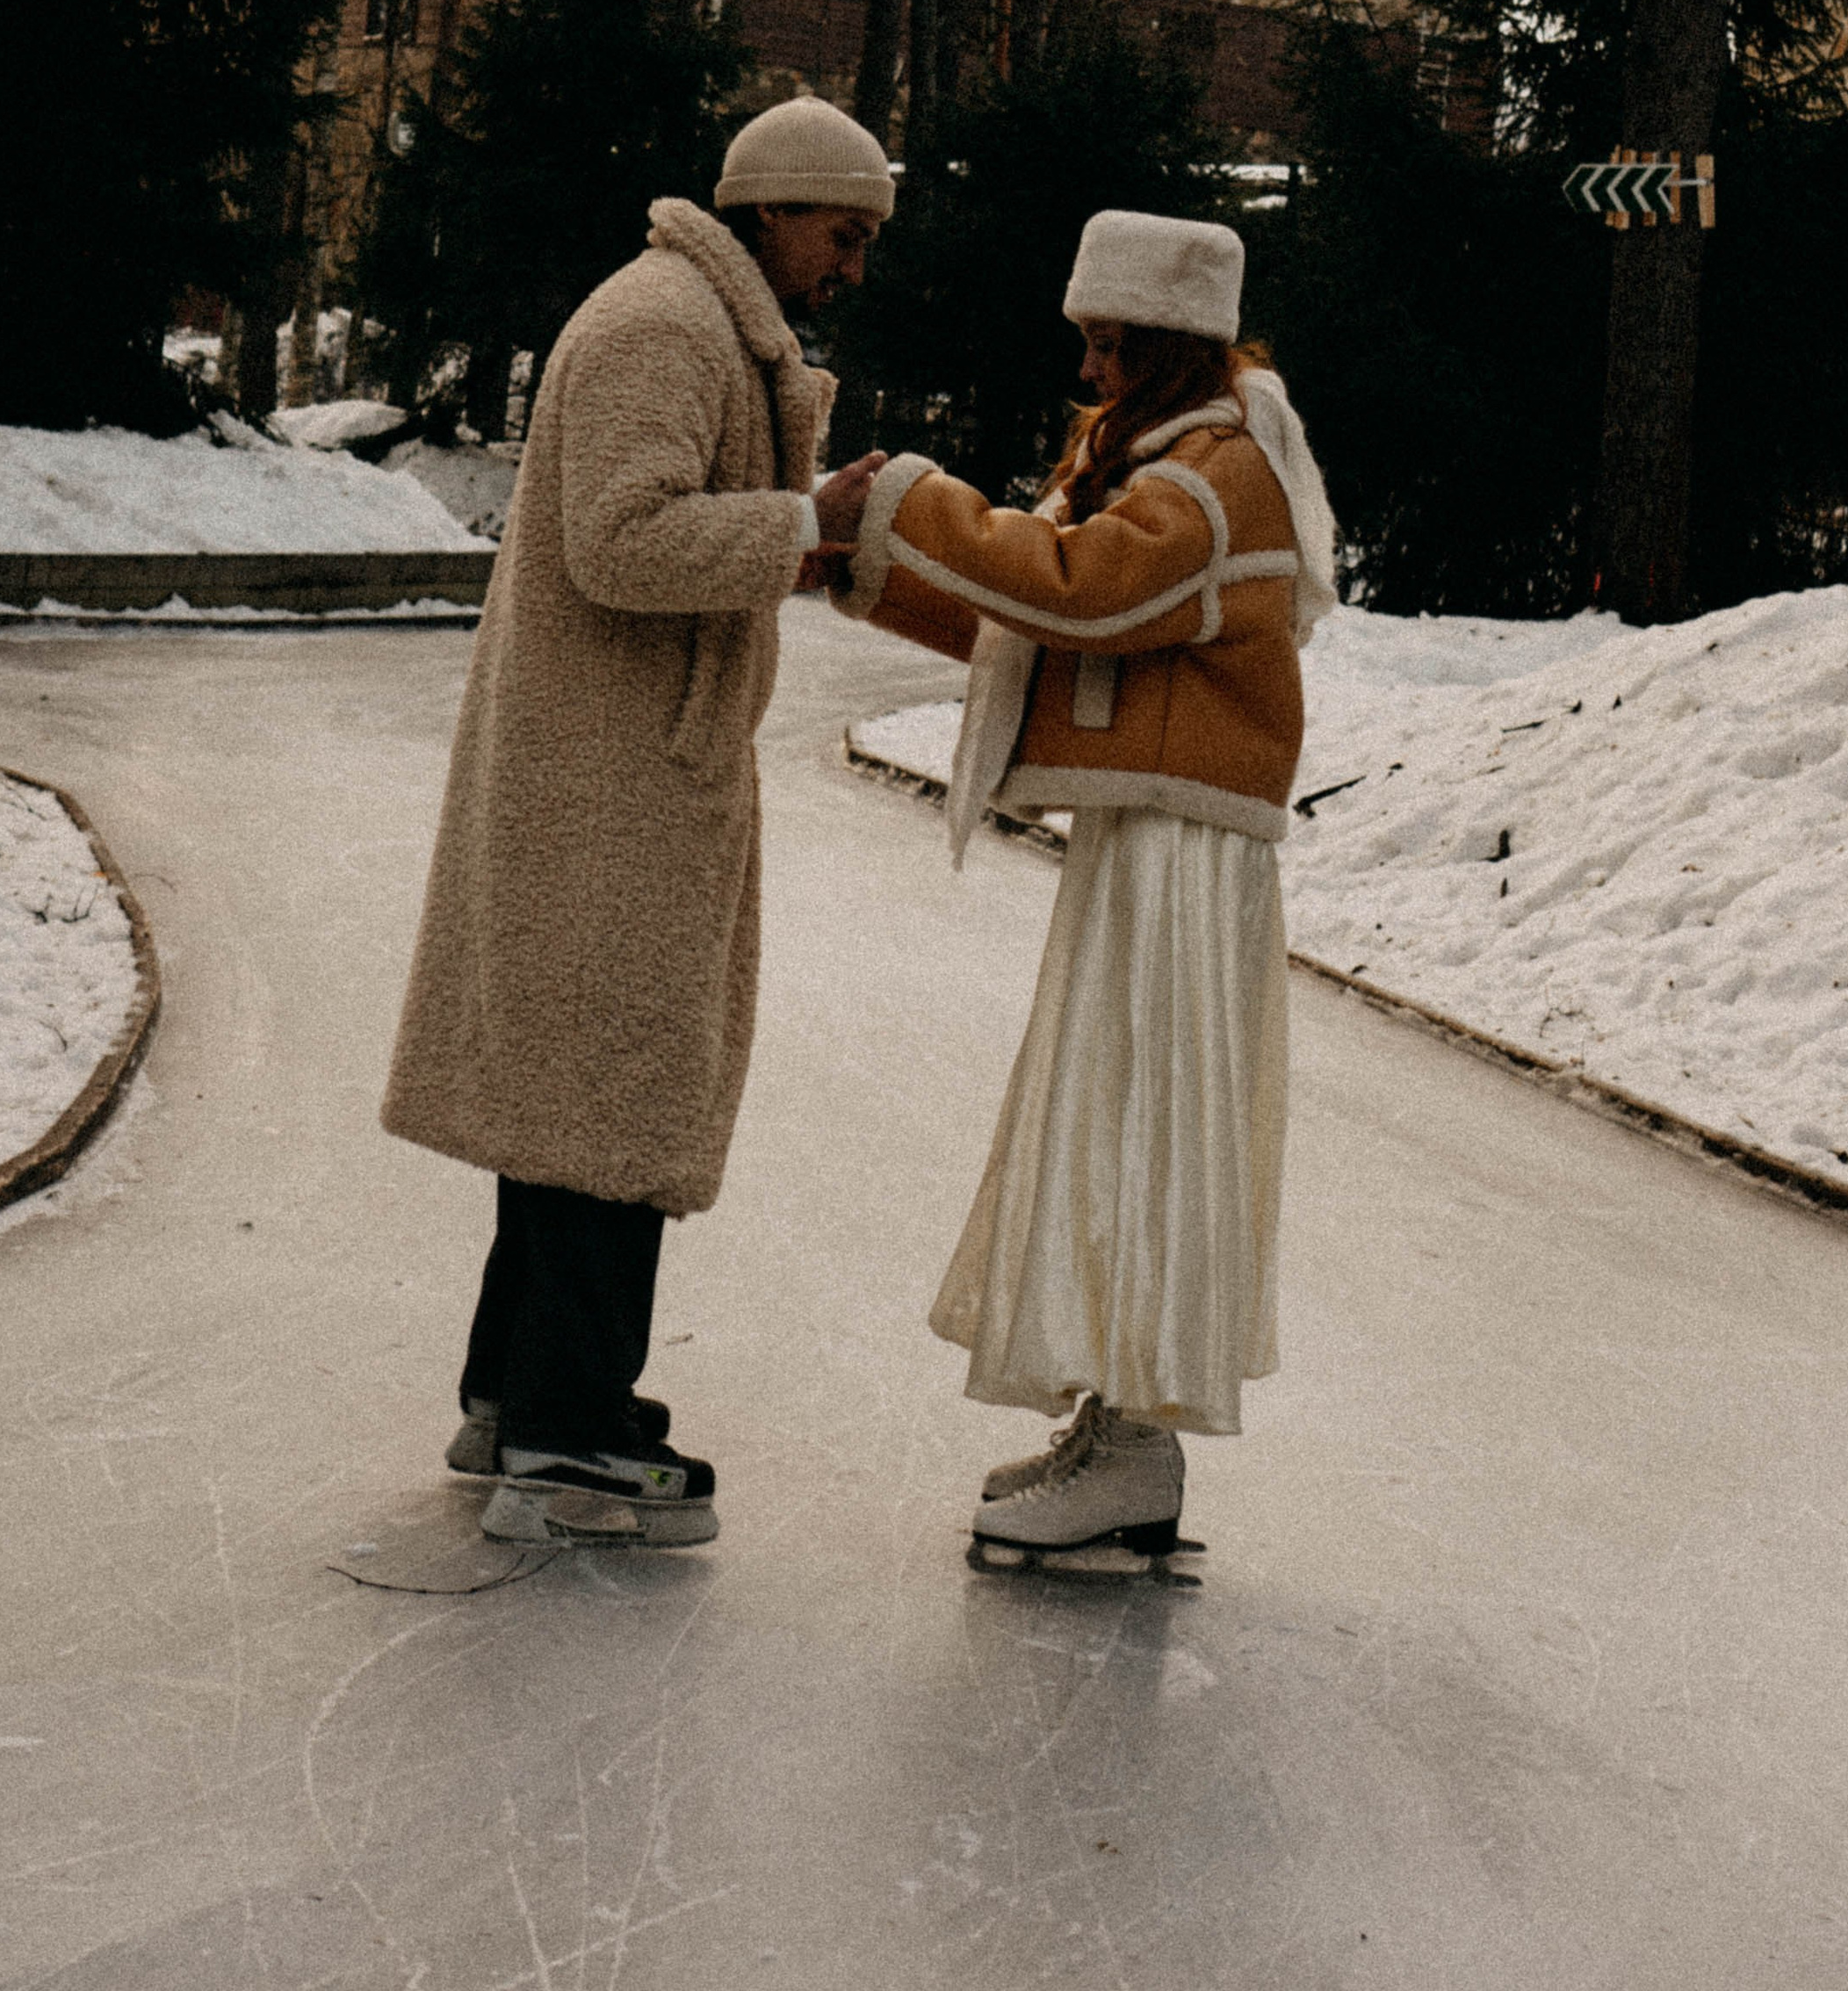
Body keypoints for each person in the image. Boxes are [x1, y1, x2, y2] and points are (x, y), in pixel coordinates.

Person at [379, 95, 894, 1547]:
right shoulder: (665, 326)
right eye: (843, 233)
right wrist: (803, 522)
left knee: (572, 1095)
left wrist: (801, 545)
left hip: (617, 773)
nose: (852, 266)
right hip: (605, 784)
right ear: (772, 209)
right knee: (610, 1093)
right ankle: (567, 1430)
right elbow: (620, 540)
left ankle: (520, 1393)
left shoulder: (697, 322)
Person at [833, 207, 1336, 1574]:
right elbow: (1034, 623)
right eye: (1090, 341)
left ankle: (1137, 1447)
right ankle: (1118, 1432)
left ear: (1172, 343)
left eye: (1113, 344)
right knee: (1120, 1114)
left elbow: (1083, 592)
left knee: (1145, 1124)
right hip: (1152, 839)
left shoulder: (1219, 478)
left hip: (1184, 856)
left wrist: (906, 500)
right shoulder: (1177, 460)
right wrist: (867, 571)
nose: (1092, 369)